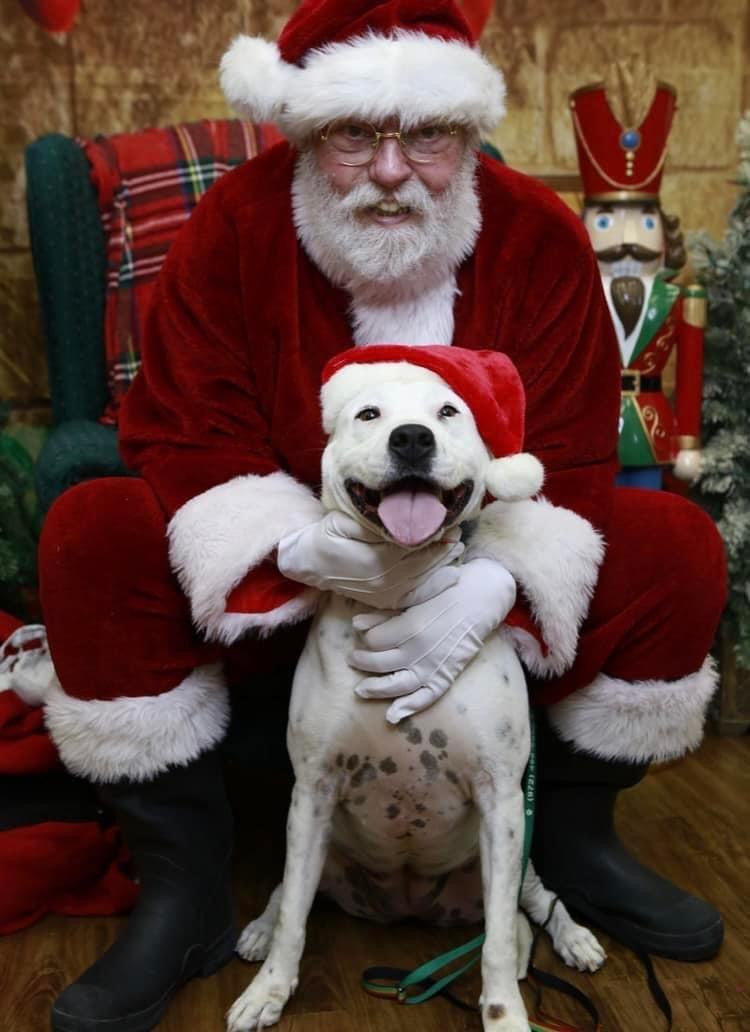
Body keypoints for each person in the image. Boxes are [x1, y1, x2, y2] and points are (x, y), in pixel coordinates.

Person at [27, 1, 726, 1029]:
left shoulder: (535, 234)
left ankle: (568, 840)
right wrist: (295, 552)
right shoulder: (237, 225)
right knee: (92, 526)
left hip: (473, 590)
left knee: (675, 545)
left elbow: (573, 454)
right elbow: (178, 424)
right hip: (279, 614)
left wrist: (495, 579)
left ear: (470, 134)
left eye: (429, 135)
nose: (393, 170)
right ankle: (182, 886)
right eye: (356, 134)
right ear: (308, 132)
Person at [570, 65, 706, 489]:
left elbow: (689, 375)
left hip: (653, 435)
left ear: (665, 233)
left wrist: (689, 441)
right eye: (607, 222)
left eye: (645, 223)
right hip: (588, 435)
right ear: (582, 225)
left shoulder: (682, 300)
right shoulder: (574, 299)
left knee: (650, 526)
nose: (627, 240)